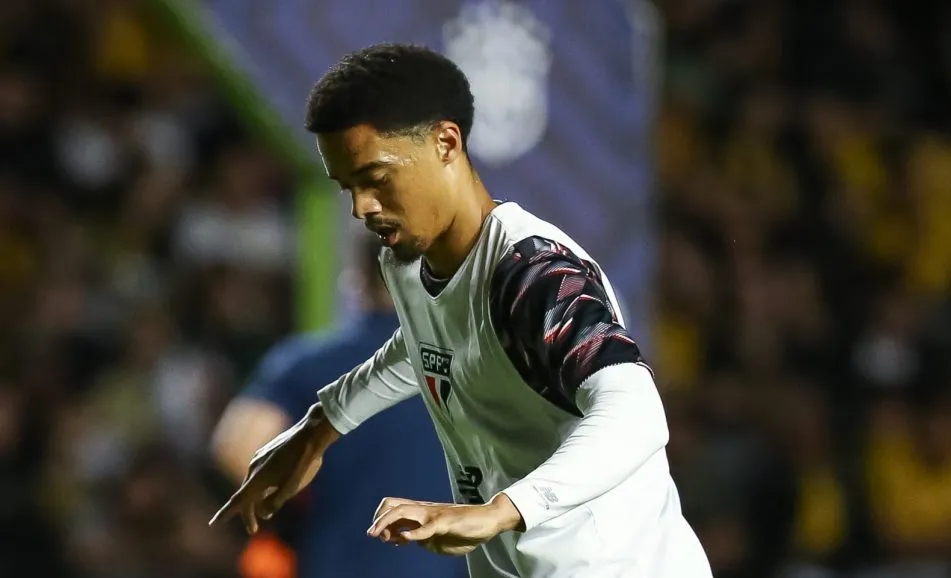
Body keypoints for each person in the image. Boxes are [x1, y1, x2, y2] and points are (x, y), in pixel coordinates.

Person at [210, 43, 712, 578]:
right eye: (349, 187)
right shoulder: (411, 264)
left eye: (375, 178)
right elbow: (426, 344)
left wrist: (498, 511)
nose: (361, 207)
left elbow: (635, 412)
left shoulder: (535, 274)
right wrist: (320, 427)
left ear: (446, 143)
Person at [210, 238, 467, 578]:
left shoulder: (310, 364)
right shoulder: (478, 369)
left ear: (356, 279)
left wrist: (298, 508)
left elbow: (237, 448)